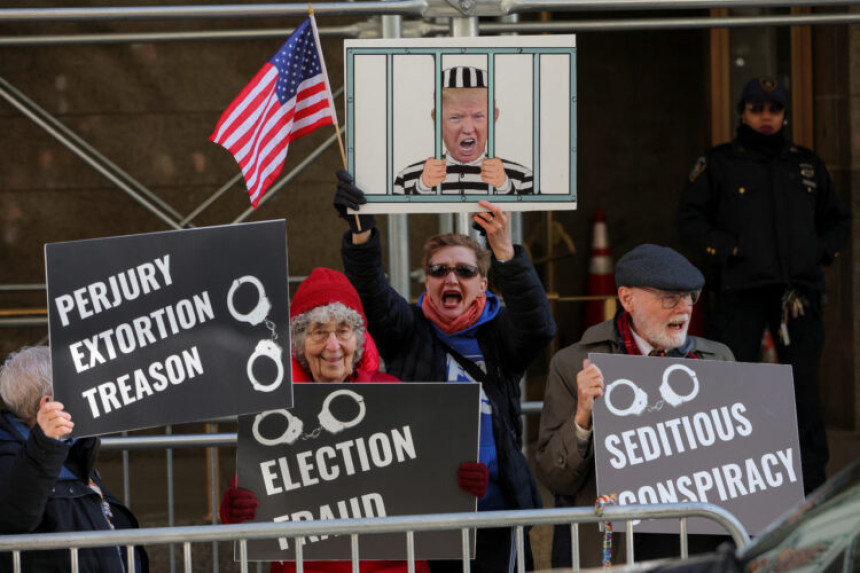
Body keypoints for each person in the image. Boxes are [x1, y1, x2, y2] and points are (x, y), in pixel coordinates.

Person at [335, 171, 556, 573]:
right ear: (426, 279)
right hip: (426, 512)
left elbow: (538, 325)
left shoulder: (499, 333)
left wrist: (504, 249)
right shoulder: (407, 329)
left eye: (465, 271)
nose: (450, 278)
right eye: (439, 271)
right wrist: (361, 231)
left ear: (484, 284)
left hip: (497, 514)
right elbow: (370, 291)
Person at [220, 268, 483, 572]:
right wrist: (236, 509)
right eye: (319, 332)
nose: (333, 346)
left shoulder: (392, 392)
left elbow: (433, 482)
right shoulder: (275, 412)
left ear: (357, 338)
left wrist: (462, 484)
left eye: (343, 331)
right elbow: (250, 504)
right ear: (300, 342)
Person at [677, 76, 851, 495]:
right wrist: (729, 250)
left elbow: (838, 220)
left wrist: (819, 252)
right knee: (731, 386)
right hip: (741, 293)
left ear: (785, 114)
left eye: (774, 109)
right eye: (757, 109)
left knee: (803, 390)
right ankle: (729, 481)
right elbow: (690, 221)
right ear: (743, 113)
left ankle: (811, 485)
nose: (766, 116)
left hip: (797, 296)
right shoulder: (719, 163)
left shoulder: (806, 164)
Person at [535, 244, 734, 569]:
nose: (684, 309)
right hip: (619, 547)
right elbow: (555, 478)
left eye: (690, 297)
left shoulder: (718, 360)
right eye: (669, 298)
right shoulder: (573, 364)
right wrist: (583, 418)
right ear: (627, 299)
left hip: (696, 542)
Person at [0, 345, 148, 573]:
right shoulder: (16, 455)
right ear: (48, 404)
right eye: (77, 388)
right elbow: (17, 515)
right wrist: (46, 443)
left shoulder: (67, 450)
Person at [393, 66, 534, 196]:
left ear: (493, 117)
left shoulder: (523, 179)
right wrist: (422, 186)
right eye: (455, 117)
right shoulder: (406, 180)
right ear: (436, 120)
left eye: (478, 116)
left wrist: (505, 186)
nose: (468, 129)